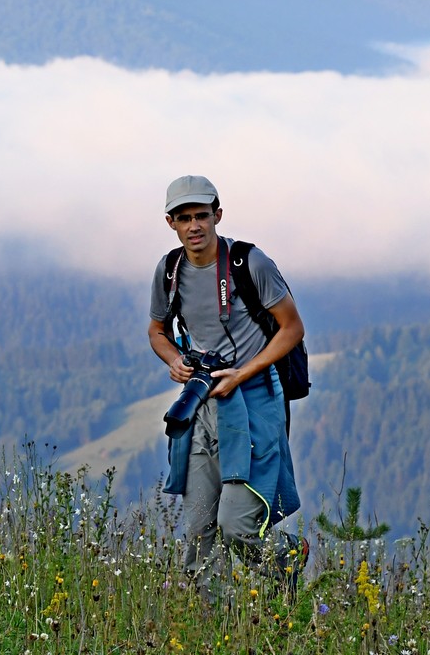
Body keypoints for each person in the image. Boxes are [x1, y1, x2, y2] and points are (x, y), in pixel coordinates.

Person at [148, 175, 307, 603]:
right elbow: (157, 331)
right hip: (203, 403)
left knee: (237, 529)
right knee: (198, 531)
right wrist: (174, 361)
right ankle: (209, 628)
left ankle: (288, 558)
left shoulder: (249, 263)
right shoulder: (169, 270)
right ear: (171, 223)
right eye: (184, 218)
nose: (194, 225)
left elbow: (292, 328)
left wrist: (243, 372)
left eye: (202, 215)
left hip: (255, 400)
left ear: (218, 215)